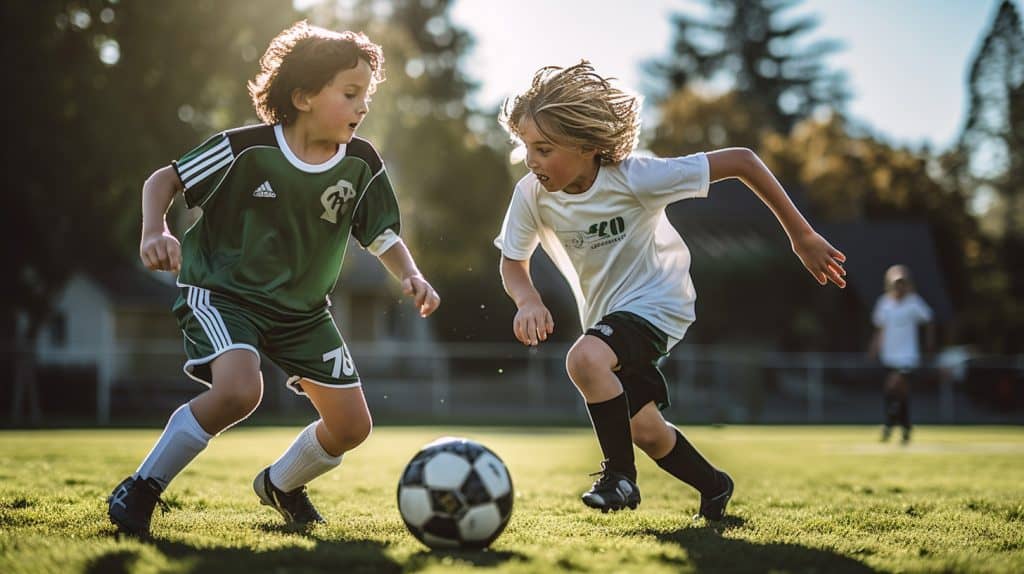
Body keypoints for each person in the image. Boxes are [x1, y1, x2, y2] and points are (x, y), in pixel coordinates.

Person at [107, 21, 440, 537]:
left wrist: (412, 275)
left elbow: (382, 235)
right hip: (223, 295)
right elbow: (164, 180)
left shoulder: (362, 163)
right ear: (303, 95)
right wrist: (156, 230)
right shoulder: (243, 149)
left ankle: (282, 485)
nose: (363, 107)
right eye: (351, 93)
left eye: (367, 96)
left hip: (304, 312)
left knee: (352, 426)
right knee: (241, 390)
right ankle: (141, 488)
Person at [494, 61, 846, 520]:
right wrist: (528, 299)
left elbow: (742, 160)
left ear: (587, 146)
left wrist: (801, 236)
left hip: (659, 303)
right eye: (526, 149)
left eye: (543, 148)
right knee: (647, 430)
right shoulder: (531, 195)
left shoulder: (636, 177)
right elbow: (512, 261)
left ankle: (619, 477)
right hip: (606, 317)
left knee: (583, 359)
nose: (532, 161)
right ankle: (715, 485)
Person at [867, 264, 934, 444]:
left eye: (902, 283)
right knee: (898, 394)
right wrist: (874, 348)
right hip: (889, 356)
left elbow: (928, 320)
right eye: (896, 283)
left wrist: (928, 343)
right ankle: (905, 427)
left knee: (894, 385)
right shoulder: (884, 304)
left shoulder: (914, 302)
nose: (899, 286)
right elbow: (879, 330)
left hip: (908, 357)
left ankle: (889, 424)